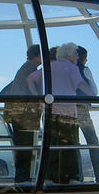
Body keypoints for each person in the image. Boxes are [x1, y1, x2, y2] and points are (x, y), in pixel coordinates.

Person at [26, 42, 84, 184]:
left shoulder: (49, 68)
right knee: (69, 144)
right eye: (75, 54)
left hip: (51, 112)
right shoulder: (71, 68)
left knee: (51, 143)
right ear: (69, 55)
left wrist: (39, 98)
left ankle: (49, 176)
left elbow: (30, 79)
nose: (77, 57)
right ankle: (71, 176)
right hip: (68, 113)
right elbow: (81, 86)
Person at [4, 44, 42, 182]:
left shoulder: (24, 69)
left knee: (22, 146)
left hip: (18, 113)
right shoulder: (30, 71)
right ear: (38, 55)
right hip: (24, 114)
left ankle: (21, 177)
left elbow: (5, 91)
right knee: (25, 146)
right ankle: (22, 178)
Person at [76, 46, 99, 182]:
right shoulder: (84, 70)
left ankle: (77, 175)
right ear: (83, 58)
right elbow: (93, 91)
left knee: (73, 143)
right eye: (86, 57)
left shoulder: (66, 71)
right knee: (92, 141)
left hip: (66, 109)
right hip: (81, 108)